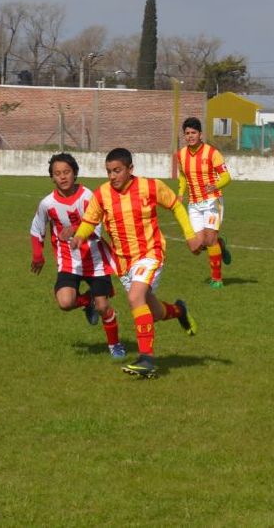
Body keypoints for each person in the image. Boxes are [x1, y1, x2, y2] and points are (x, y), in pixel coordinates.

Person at [70, 148, 202, 378]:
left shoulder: (150, 187)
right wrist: (80, 235)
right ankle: (180, 310)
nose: (113, 176)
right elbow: (89, 220)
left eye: (117, 171)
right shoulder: (102, 194)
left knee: (134, 298)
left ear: (130, 169)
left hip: (150, 253)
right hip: (123, 262)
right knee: (153, 312)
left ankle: (147, 359)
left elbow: (176, 206)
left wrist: (190, 236)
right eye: (109, 171)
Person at [30, 153, 125, 359]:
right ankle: (87, 301)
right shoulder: (47, 204)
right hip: (68, 262)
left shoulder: (88, 196)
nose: (62, 177)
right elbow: (37, 229)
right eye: (57, 174)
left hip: (95, 261)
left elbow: (98, 227)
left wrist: (75, 229)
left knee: (104, 307)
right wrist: (38, 255)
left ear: (74, 173)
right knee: (65, 302)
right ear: (52, 177)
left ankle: (115, 344)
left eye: (66, 172)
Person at [176, 116, 232, 289]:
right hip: (194, 204)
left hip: (212, 201)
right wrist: (180, 193)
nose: (190, 136)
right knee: (195, 247)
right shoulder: (181, 155)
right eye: (187, 133)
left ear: (200, 134)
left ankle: (217, 279)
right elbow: (183, 176)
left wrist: (214, 185)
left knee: (209, 239)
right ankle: (220, 245)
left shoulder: (212, 153)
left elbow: (227, 177)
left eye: (194, 132)